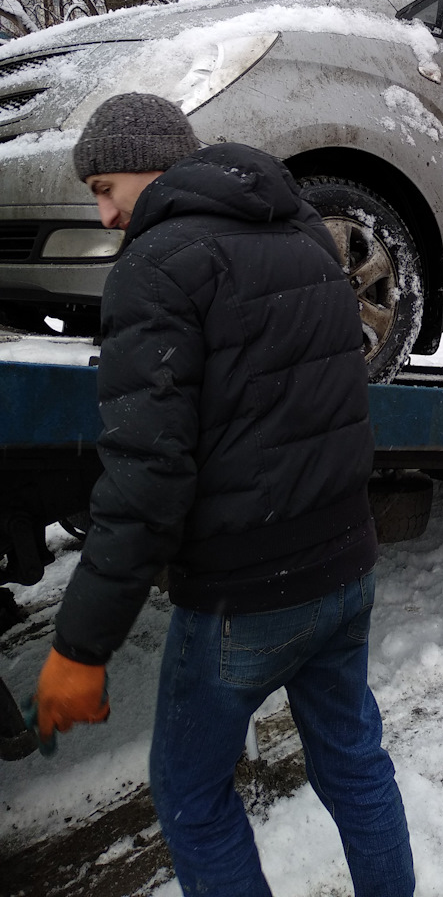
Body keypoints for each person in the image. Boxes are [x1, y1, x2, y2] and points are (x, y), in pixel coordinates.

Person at [31, 92, 415, 897]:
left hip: (248, 594)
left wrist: (80, 647)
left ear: (149, 162)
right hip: (347, 565)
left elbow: (146, 479)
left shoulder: (156, 266)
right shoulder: (306, 234)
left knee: (192, 795)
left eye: (104, 188)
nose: (104, 215)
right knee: (353, 762)